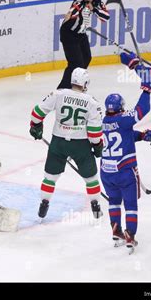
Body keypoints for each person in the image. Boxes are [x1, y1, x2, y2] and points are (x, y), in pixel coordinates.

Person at [29, 67, 104, 220]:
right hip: (80, 146)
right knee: (91, 178)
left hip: (58, 143)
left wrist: (35, 126)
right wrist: (97, 146)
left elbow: (37, 113)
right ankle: (95, 206)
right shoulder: (92, 102)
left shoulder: (58, 94)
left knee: (50, 177)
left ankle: (44, 203)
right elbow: (95, 131)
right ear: (85, 83)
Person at [100, 66, 151, 253]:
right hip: (125, 171)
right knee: (131, 204)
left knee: (114, 201)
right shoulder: (124, 119)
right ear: (120, 107)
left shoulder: (103, 122)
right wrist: (147, 89)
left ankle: (115, 231)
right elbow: (143, 109)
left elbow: (125, 134)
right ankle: (130, 235)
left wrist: (142, 136)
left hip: (106, 173)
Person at [57, 0, 110, 89]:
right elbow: (73, 10)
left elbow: (106, 17)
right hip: (69, 34)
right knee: (75, 63)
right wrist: (70, 14)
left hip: (81, 34)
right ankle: (63, 89)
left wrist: (94, 9)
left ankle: (76, 82)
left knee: (86, 57)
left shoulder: (98, 1)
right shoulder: (79, 1)